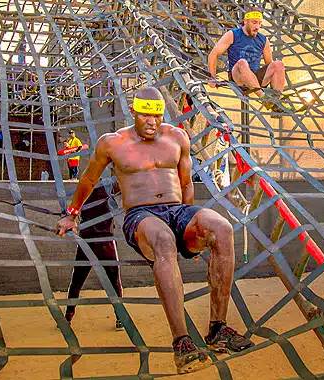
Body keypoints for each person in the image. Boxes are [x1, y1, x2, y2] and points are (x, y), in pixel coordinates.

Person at [55, 87, 253, 374]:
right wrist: (72, 214)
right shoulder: (112, 143)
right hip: (140, 215)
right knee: (162, 239)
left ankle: (217, 329)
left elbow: (186, 183)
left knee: (222, 228)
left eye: (157, 115)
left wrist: (190, 228)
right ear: (134, 112)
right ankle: (182, 343)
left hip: (178, 210)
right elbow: (87, 179)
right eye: (146, 115)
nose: (152, 121)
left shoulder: (177, 137)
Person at [65, 183, 124, 331]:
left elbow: (73, 210)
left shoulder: (84, 189)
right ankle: (120, 317)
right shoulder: (110, 186)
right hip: (104, 239)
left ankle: (68, 316)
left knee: (77, 281)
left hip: (90, 239)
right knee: (114, 282)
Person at [207, 8, 286, 112]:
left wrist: (279, 82)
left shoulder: (263, 40)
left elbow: (270, 65)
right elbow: (213, 54)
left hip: (255, 78)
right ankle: (264, 98)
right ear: (245, 21)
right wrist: (212, 77)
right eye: (254, 22)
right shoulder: (233, 34)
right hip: (238, 77)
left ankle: (276, 103)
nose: (257, 26)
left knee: (278, 64)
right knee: (242, 62)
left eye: (259, 23)